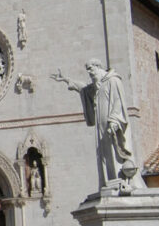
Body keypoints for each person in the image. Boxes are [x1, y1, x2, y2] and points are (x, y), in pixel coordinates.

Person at [51, 59, 146, 192]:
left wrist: (114, 119)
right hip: (101, 129)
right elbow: (83, 88)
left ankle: (123, 182)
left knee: (115, 153)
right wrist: (66, 79)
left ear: (98, 66)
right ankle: (111, 181)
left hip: (113, 126)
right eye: (88, 70)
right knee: (105, 155)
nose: (89, 72)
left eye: (90, 69)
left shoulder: (113, 81)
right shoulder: (98, 85)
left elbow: (118, 101)